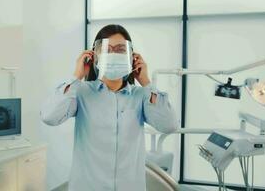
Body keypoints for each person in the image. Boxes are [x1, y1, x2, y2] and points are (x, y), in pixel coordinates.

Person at [41, 24, 178, 191]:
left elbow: (169, 125)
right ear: (95, 56)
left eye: (120, 50)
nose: (113, 54)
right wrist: (76, 77)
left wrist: (146, 82)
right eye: (107, 49)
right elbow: (50, 116)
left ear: (131, 56)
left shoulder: (141, 96)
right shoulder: (81, 92)